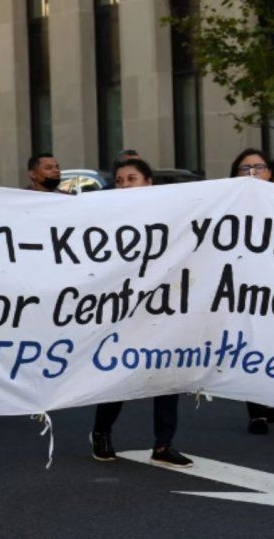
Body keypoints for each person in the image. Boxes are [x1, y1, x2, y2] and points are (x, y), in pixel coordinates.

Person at [90, 158, 192, 468]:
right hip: (125, 305)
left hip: (164, 304)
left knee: (167, 376)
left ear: (148, 182)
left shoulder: (172, 214)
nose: (124, 185)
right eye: (119, 180)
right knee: (118, 372)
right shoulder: (108, 215)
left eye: (131, 178)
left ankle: (163, 444)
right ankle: (101, 433)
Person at [229, 149, 274, 435]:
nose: (252, 172)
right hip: (246, 285)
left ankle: (270, 399)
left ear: (270, 174)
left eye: (259, 167)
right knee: (253, 342)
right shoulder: (227, 204)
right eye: (244, 168)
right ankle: (256, 412)